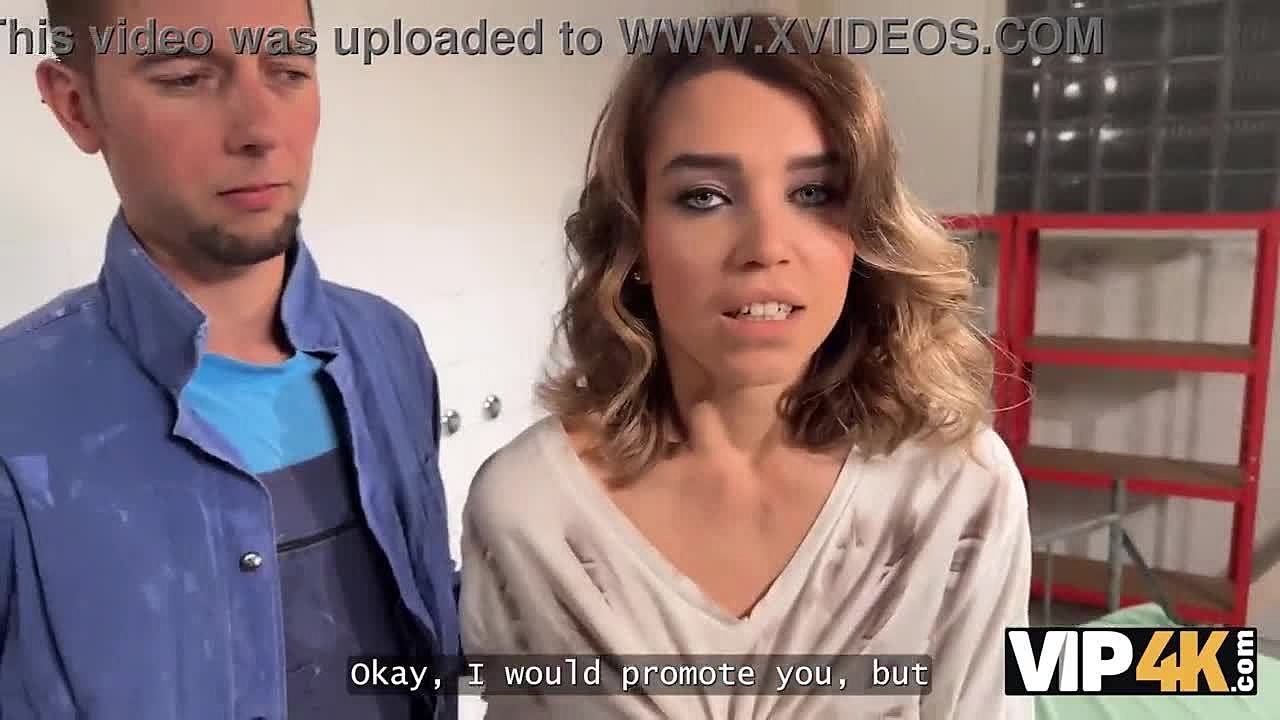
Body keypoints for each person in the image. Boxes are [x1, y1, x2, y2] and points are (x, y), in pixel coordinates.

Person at [459, 11, 1033, 720]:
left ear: (864, 231)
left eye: (813, 194)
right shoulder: (528, 509)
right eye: (704, 197)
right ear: (637, 241)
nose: (765, 247)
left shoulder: (958, 491)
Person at [0, 1, 458, 718]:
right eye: (186, 77)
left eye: (288, 70)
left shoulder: (389, 346)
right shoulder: (16, 416)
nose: (260, 130)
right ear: (77, 106)